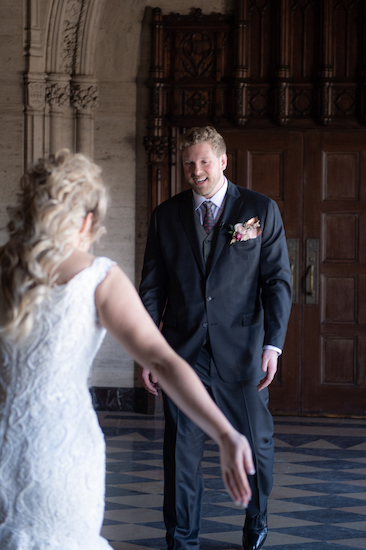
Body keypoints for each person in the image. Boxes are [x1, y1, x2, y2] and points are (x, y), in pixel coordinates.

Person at [0, 150, 255, 550]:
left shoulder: (3, 267)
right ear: (87, 220)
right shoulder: (97, 277)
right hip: (58, 456)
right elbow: (164, 361)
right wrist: (224, 433)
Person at [140, 126, 292, 550]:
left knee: (256, 443)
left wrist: (272, 345)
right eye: (189, 162)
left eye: (204, 161)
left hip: (243, 353)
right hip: (182, 354)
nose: (196, 170)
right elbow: (152, 288)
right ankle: (182, 539)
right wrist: (150, 352)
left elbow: (277, 281)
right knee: (180, 454)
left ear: (223, 161)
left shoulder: (259, 209)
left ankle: (256, 520)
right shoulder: (165, 215)